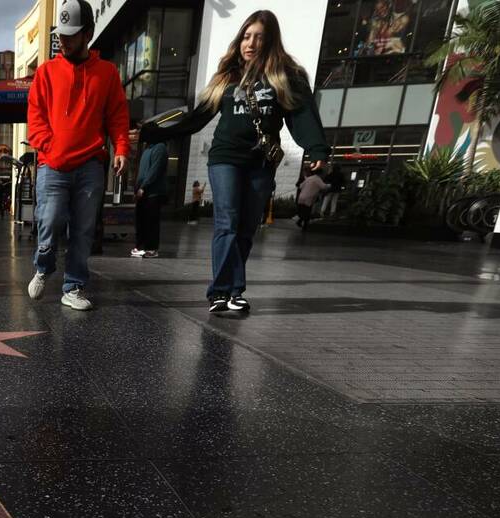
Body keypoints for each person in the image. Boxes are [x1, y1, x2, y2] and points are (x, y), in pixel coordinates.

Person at [142, 9, 328, 313]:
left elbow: (302, 116)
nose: (250, 43)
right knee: (226, 222)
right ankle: (223, 291)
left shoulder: (284, 76)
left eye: (258, 37)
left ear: (270, 41)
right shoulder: (227, 76)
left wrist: (317, 150)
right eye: (246, 36)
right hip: (225, 158)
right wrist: (153, 132)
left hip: (261, 162)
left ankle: (230, 290)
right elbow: (197, 118)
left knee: (246, 228)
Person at [25, 0, 130, 311]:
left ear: (88, 34)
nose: (63, 40)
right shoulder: (46, 72)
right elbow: (35, 118)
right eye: (60, 34)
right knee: (51, 219)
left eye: (70, 34)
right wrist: (51, 148)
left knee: (83, 230)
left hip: (90, 165)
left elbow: (117, 116)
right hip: (53, 165)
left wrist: (121, 148)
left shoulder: (107, 73)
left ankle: (73, 286)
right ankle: (43, 267)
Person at [131, 124, 167, 258]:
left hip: (153, 193)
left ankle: (151, 248)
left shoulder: (160, 148)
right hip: (143, 191)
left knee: (151, 221)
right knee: (141, 220)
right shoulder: (148, 149)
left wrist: (143, 187)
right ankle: (140, 246)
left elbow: (154, 171)